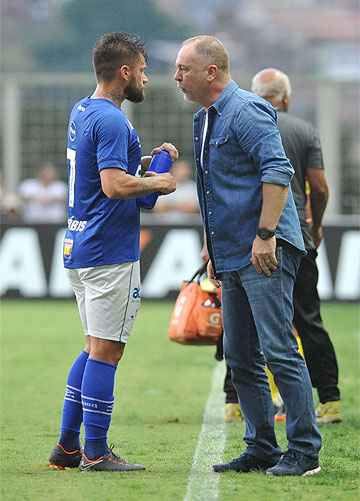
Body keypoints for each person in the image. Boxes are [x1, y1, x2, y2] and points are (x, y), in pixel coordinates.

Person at [175, 35, 322, 476]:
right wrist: (211, 244)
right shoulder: (205, 119)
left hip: (264, 250)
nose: (177, 76)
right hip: (232, 251)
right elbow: (210, 189)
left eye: (184, 68)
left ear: (212, 72)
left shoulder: (248, 110)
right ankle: (261, 447)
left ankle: (304, 451)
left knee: (279, 349)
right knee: (239, 356)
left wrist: (265, 234)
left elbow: (278, 171)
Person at [48, 32, 177, 473]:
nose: (146, 77)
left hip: (81, 245)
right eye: (142, 69)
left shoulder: (84, 110)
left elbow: (108, 174)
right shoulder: (114, 121)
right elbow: (114, 185)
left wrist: (148, 164)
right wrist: (159, 182)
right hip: (109, 251)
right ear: (125, 71)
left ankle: (67, 447)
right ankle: (96, 452)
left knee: (91, 348)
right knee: (106, 352)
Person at [221, 68, 342, 425]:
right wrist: (315, 225)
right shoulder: (303, 130)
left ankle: (233, 400)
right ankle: (330, 399)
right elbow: (319, 188)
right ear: (286, 98)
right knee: (307, 318)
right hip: (295, 238)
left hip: (248, 238)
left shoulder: (237, 123)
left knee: (243, 323)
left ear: (255, 95)